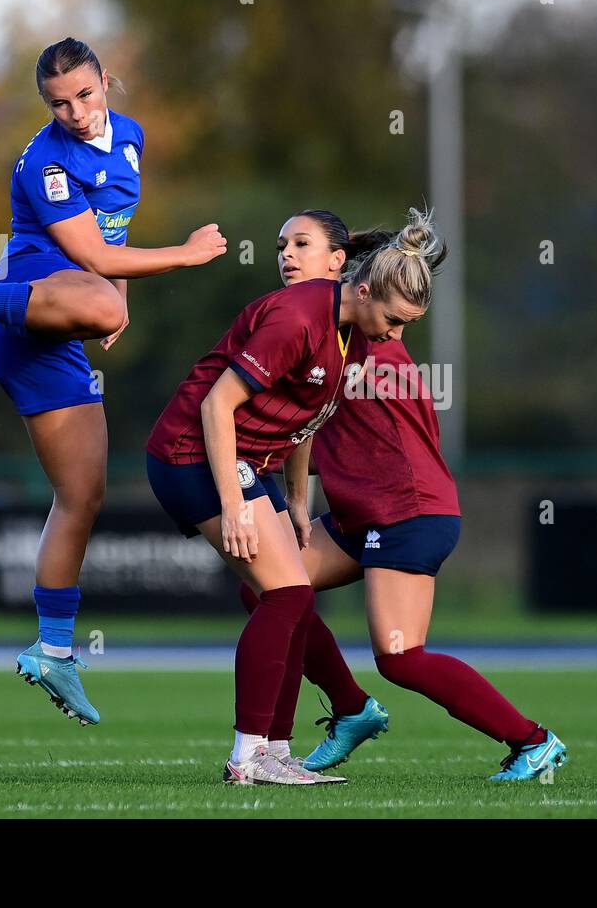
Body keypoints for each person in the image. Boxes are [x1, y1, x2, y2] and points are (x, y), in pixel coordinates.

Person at [0, 37, 226, 725]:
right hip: (23, 305)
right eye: (58, 103)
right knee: (105, 299)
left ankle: (53, 651)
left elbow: (111, 236)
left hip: (57, 332)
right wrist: (185, 256)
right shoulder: (45, 158)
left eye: (84, 95)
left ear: (107, 81)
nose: (75, 112)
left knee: (82, 496)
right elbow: (87, 252)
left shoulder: (130, 136)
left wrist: (114, 299)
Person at [237, 208, 567, 782]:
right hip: (359, 512)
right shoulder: (331, 328)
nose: (287, 256)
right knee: (269, 590)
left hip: (408, 514)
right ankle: (346, 710)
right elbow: (304, 421)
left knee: (399, 658)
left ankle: (532, 740)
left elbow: (295, 410)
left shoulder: (365, 342)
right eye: (282, 245)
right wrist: (294, 501)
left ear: (343, 267)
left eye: (302, 245)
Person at [145, 208, 437, 785]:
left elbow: (306, 419)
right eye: (395, 319)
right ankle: (248, 756)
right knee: (284, 595)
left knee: (295, 598)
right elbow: (215, 406)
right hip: (192, 455)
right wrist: (233, 505)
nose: (396, 335)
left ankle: (275, 754)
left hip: (240, 463)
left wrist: (298, 503)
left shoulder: (350, 333)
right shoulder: (298, 319)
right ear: (365, 287)